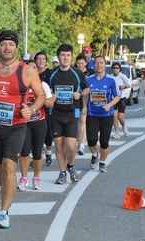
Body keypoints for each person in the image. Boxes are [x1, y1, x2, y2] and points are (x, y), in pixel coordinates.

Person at [0, 30, 45, 229]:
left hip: (16, 126)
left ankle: (3, 213)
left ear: (16, 47)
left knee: (9, 167)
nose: (7, 48)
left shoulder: (27, 71)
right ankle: (8, 190)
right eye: (3, 44)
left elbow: (41, 96)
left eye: (11, 45)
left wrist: (31, 109)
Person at [45, 44, 89, 185]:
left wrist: (80, 94)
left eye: (68, 55)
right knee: (58, 146)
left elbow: (87, 89)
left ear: (71, 57)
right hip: (55, 114)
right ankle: (62, 172)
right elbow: (43, 90)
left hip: (71, 113)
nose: (65, 58)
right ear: (58, 57)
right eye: (63, 55)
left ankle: (71, 165)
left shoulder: (77, 73)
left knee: (70, 146)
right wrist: (49, 95)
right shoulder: (51, 74)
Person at [17, 60, 55, 190]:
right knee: (24, 151)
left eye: (34, 67)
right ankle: (24, 178)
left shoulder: (42, 85)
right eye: (29, 67)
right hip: (24, 122)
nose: (31, 70)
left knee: (38, 152)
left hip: (39, 122)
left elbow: (51, 104)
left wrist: (39, 100)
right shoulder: (20, 85)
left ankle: (36, 178)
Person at [86, 56, 120, 173]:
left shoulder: (111, 80)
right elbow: (84, 95)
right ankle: (94, 155)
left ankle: (102, 162)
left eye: (101, 63)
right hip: (92, 114)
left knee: (104, 141)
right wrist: (83, 107)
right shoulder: (89, 80)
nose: (99, 65)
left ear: (105, 65)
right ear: (93, 65)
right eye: (96, 63)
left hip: (106, 114)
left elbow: (117, 97)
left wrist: (109, 105)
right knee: (91, 140)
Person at [74, 53, 95, 155]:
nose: (80, 65)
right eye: (78, 63)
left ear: (86, 63)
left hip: (87, 100)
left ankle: (82, 145)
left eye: (82, 63)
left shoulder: (90, 73)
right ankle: (78, 140)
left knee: (83, 122)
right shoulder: (73, 72)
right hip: (74, 101)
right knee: (76, 123)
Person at [109, 61, 131, 139]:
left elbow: (129, 85)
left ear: (119, 69)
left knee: (120, 117)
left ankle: (124, 127)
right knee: (114, 116)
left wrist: (124, 86)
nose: (115, 69)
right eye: (114, 68)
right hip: (113, 99)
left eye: (117, 68)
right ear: (112, 69)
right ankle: (117, 132)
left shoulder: (123, 76)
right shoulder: (110, 77)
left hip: (122, 98)